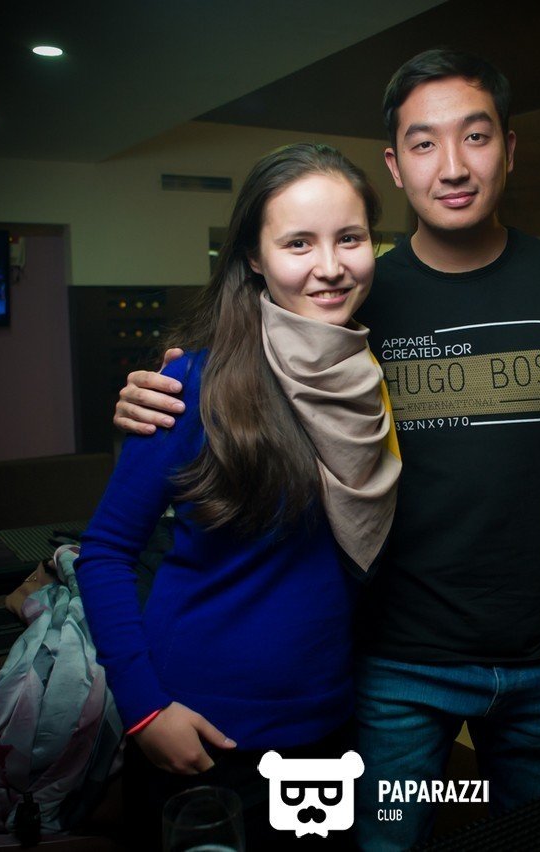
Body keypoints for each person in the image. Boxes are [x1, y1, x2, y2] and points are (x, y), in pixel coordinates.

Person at [115, 50, 540, 848]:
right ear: (395, 164)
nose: (452, 165)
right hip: (395, 663)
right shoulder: (354, 290)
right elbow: (250, 362)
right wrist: (159, 389)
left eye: (476, 136)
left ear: (509, 148)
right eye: (424, 143)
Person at [76, 142, 399, 848]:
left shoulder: (368, 378)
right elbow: (103, 552)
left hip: (326, 722)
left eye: (349, 238)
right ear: (253, 256)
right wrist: (144, 709)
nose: (330, 266)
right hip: (200, 727)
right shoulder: (192, 383)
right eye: (298, 243)